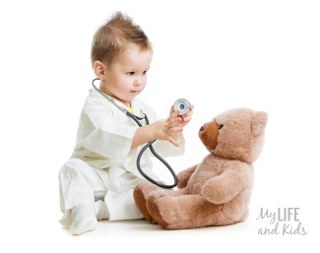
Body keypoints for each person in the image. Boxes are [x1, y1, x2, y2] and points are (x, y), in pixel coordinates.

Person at [58, 12, 193, 235]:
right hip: (97, 175)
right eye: (130, 73)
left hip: (129, 182)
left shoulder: (142, 109)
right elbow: (107, 135)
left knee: (152, 192)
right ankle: (82, 211)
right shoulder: (94, 106)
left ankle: (100, 209)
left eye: (144, 72)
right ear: (101, 71)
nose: (139, 81)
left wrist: (171, 130)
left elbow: (157, 147)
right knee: (71, 169)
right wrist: (150, 131)